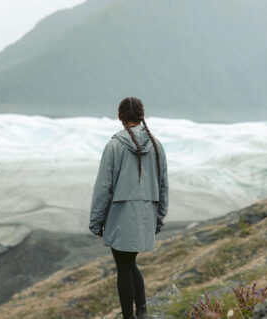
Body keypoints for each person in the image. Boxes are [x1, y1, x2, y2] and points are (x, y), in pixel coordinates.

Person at [89, 96, 169, 319]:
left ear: (120, 116)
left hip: (120, 217)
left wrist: (96, 222)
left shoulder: (114, 145)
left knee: (123, 266)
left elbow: (103, 187)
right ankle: (141, 311)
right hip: (145, 215)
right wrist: (159, 217)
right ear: (142, 116)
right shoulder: (156, 145)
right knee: (129, 262)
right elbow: (164, 185)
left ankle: (129, 316)